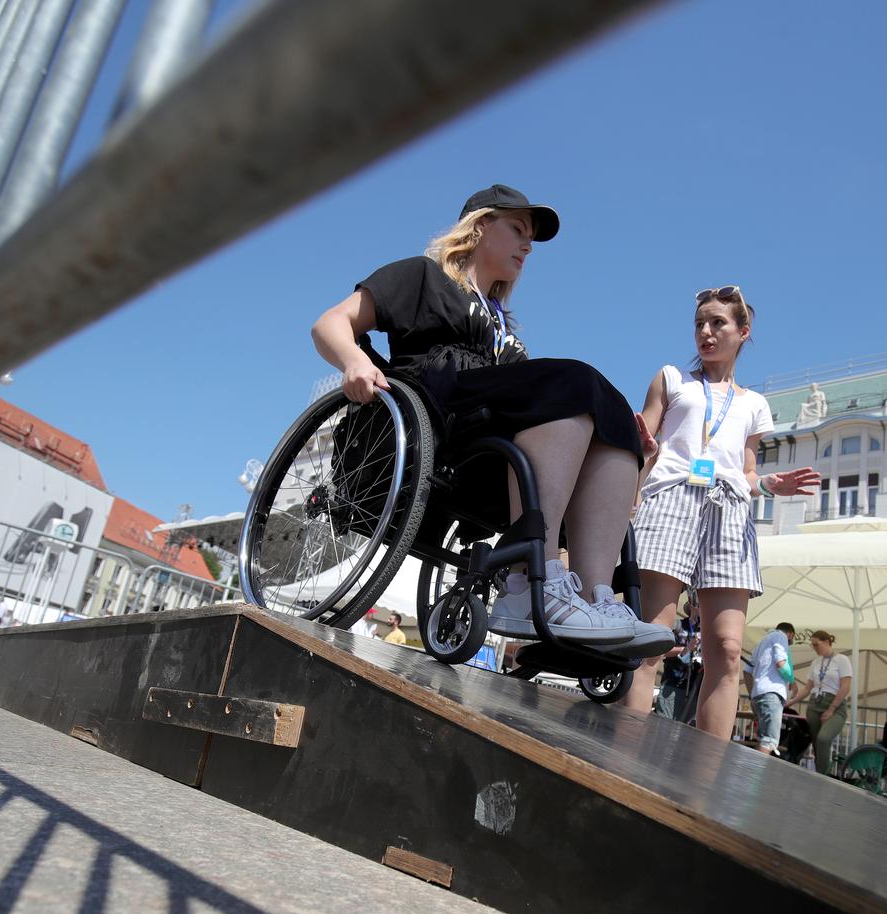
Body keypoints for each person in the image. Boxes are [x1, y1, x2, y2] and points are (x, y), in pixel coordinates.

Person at [310, 184, 671, 650]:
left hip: (486, 441)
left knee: (616, 415)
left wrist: (636, 455)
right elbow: (330, 323)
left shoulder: (505, 329)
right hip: (439, 410)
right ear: (480, 227)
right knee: (575, 383)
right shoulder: (423, 277)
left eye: (530, 240)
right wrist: (356, 362)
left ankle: (594, 597)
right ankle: (525, 587)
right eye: (518, 230)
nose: (527, 246)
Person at [619, 286, 820, 739]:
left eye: (718, 324)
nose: (706, 333)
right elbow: (644, 442)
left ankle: (707, 778)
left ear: (743, 332)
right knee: (653, 640)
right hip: (672, 498)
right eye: (699, 325)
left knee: (728, 650)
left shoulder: (755, 404)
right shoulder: (672, 379)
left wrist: (769, 483)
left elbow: (747, 472)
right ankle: (623, 758)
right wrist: (642, 450)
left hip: (729, 510)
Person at [787, 630, 852, 775]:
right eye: (813, 645)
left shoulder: (842, 660)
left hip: (834, 704)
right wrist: (790, 703)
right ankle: (819, 774)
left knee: (824, 738)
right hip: (815, 703)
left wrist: (831, 708)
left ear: (827, 642)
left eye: (817, 644)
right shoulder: (815, 662)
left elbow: (845, 686)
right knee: (817, 743)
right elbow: (808, 688)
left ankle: (823, 776)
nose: (815, 648)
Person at [745, 622, 797, 754]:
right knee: (769, 741)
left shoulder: (760, 644)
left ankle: (755, 772)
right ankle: (756, 775)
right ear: (790, 634)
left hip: (758, 694)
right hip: (772, 693)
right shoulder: (780, 636)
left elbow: (746, 671)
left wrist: (752, 694)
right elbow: (781, 663)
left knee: (763, 739)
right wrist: (792, 680)